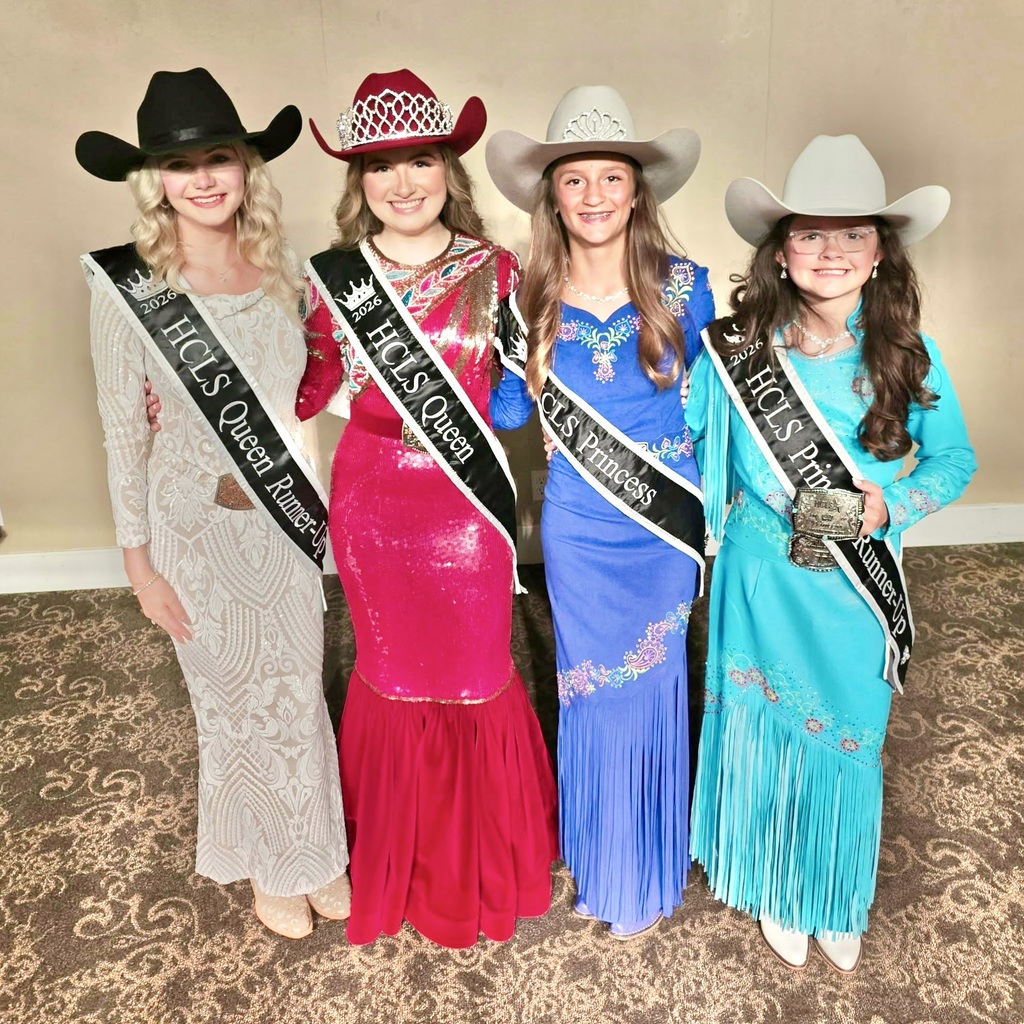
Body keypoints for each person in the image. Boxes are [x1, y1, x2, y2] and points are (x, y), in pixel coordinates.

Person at [686, 135, 976, 972]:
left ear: (880, 252)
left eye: (852, 235)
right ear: (780, 250)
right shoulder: (734, 350)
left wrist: (895, 503)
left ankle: (834, 892)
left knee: (846, 737)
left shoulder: (906, 351)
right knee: (767, 728)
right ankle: (778, 881)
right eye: (810, 234)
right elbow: (687, 440)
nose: (831, 252)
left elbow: (955, 460)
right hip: (758, 577)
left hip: (853, 587)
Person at [76, 68, 350, 940]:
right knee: (233, 701)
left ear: (245, 170)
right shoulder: (128, 289)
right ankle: (272, 865)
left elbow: (305, 400)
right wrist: (138, 564)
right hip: (192, 533)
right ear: (154, 181)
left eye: (218, 158)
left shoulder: (284, 274)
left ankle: (315, 853)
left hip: (280, 527)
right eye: (178, 164)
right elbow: (123, 431)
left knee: (297, 694)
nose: (201, 178)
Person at [298, 69, 559, 948]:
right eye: (381, 167)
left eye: (420, 161)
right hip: (374, 508)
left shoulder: (498, 269)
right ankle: (398, 860)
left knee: (479, 673)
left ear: (449, 167)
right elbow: (309, 387)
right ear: (358, 183)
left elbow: (518, 398)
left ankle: (479, 864)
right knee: (390, 673)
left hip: (467, 515)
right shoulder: (332, 278)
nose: (402, 182)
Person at [485, 85, 714, 938]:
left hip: (660, 531)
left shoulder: (685, 288)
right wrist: (496, 351)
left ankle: (645, 867)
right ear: (552, 195)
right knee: (591, 696)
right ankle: (604, 862)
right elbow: (510, 413)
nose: (593, 197)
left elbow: (710, 409)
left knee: (654, 690)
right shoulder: (529, 299)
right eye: (574, 180)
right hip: (579, 530)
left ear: (636, 190)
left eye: (610, 178)